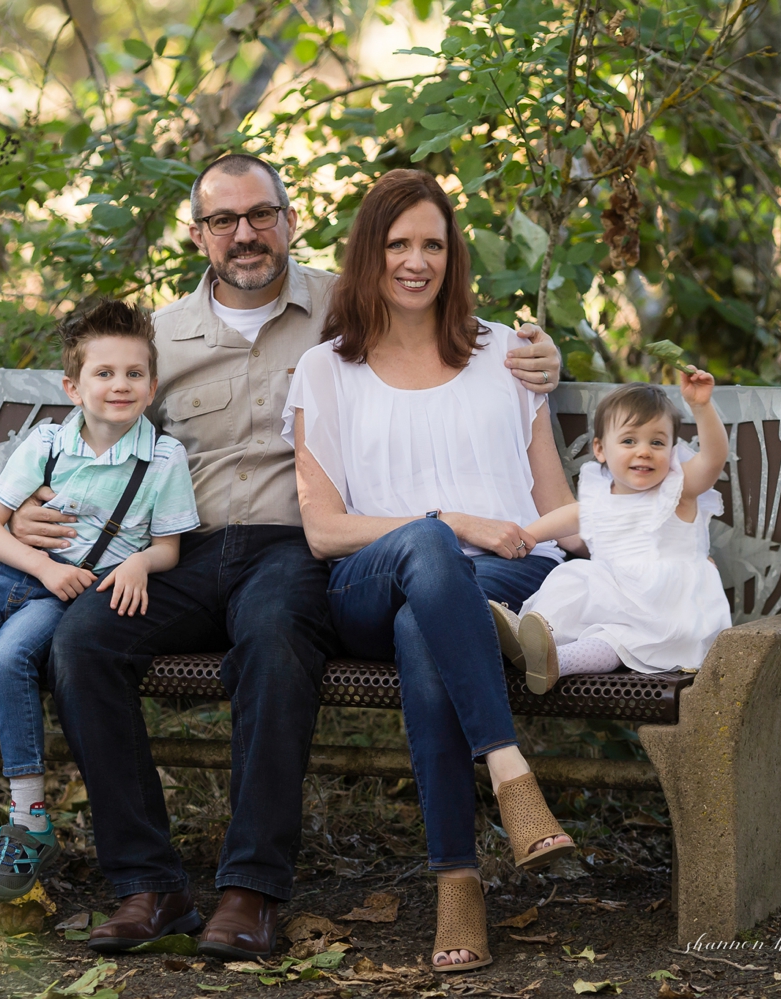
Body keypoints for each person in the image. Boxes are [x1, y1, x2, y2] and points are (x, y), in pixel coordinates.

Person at [9, 154, 563, 960]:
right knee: (82, 640)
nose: (245, 235)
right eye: (225, 221)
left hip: (292, 548)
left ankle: (251, 890)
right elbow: (87, 421)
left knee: (273, 640)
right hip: (181, 550)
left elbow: (450, 332)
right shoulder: (158, 335)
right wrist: (26, 504)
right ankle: (149, 884)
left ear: (290, 219)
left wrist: (544, 362)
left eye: (261, 215)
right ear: (198, 234)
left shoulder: (345, 304)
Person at [285, 169, 582, 973]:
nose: (416, 261)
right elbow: (323, 529)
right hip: (368, 581)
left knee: (431, 624)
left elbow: (553, 504)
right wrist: (448, 521)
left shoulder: (508, 357)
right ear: (367, 254)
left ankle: (459, 881)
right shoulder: (326, 370)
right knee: (429, 549)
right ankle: (510, 768)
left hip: (502, 582)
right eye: (397, 244)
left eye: (433, 245)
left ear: (453, 257)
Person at [0, 301, 198, 902]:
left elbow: (169, 548)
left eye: (134, 374)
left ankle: (29, 821)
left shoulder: (162, 458)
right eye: (103, 373)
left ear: (153, 385)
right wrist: (42, 566)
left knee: (7, 662)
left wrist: (136, 561)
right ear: (73, 387)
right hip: (4, 579)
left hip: (67, 596)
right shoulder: (46, 443)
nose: (120, 386)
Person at [490, 377, 732, 694]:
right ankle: (538, 646)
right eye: (629, 441)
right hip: (623, 598)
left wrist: (701, 407)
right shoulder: (605, 496)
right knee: (572, 577)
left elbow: (713, 459)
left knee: (616, 639)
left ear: (672, 450)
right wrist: (527, 536)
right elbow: (572, 516)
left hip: (668, 608)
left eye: (657, 443)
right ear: (601, 449)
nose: (644, 451)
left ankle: (555, 659)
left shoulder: (679, 490)